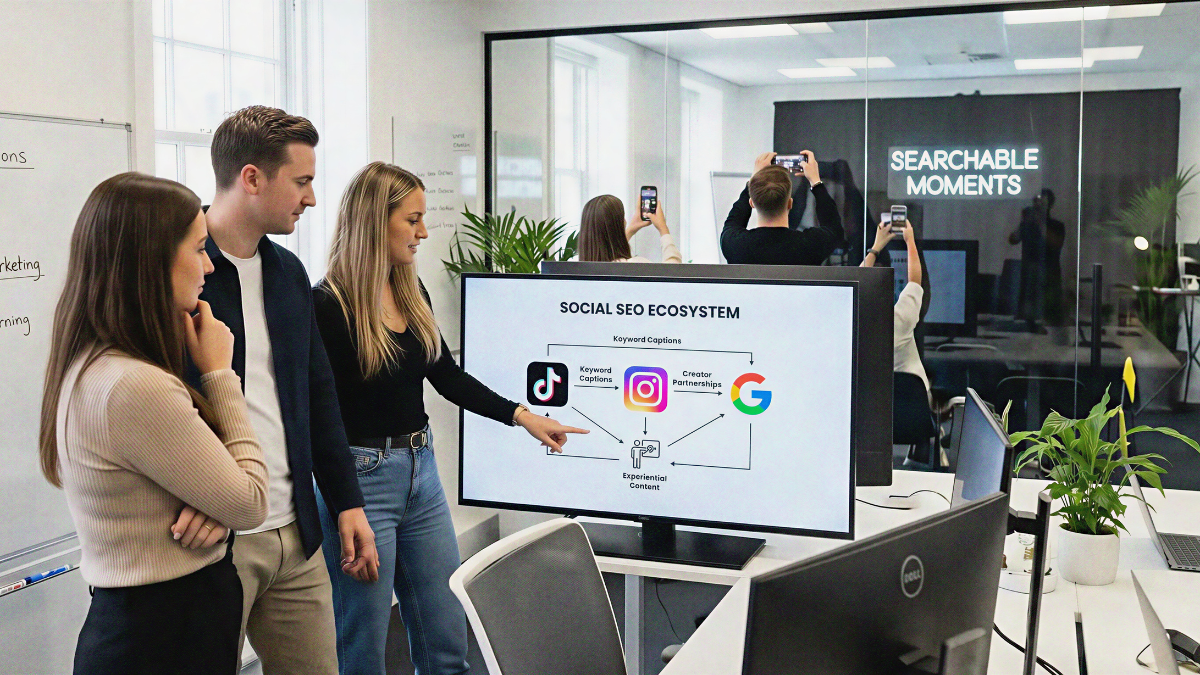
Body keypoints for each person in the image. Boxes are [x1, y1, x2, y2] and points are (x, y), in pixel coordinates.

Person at [313, 161, 588, 674]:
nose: (422, 232)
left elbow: (447, 376)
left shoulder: (410, 292)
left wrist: (522, 416)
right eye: (412, 219)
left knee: (446, 642)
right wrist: (345, 502)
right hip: (361, 483)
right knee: (363, 650)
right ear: (376, 221)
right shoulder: (328, 306)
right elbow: (318, 420)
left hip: (422, 475)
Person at [39, 173, 268, 674]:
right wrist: (219, 373)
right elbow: (250, 501)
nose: (209, 265)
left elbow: (214, 492)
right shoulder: (134, 385)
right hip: (165, 633)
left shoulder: (94, 366)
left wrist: (217, 503)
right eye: (200, 247)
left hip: (148, 625)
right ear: (151, 262)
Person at [199, 105, 377, 674]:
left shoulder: (288, 272)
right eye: (302, 182)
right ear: (251, 178)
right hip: (215, 538)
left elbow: (317, 395)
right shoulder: (178, 270)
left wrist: (347, 501)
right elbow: (164, 408)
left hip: (295, 533)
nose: (312, 198)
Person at [721, 151, 844, 265]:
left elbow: (733, 222)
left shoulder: (736, 246)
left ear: (751, 203)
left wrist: (753, 181)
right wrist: (815, 182)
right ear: (790, 204)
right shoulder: (808, 246)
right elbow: (834, 229)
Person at [862, 219, 930, 399]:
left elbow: (857, 282)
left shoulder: (858, 323)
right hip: (915, 408)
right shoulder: (898, 320)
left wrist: (876, 247)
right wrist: (910, 241)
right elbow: (915, 281)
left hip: (874, 408)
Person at [1009, 188, 1065, 326]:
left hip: (1049, 275)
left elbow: (1056, 243)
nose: (1037, 205)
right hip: (1029, 276)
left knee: (1049, 316)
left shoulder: (1057, 225)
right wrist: (1023, 222)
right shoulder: (1027, 224)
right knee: (1026, 317)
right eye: (1036, 201)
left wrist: (1041, 223)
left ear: (1049, 205)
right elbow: (1012, 239)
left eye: (1041, 202)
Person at [578, 194, 682, 263]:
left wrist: (630, 230)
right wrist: (663, 228)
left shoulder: (582, 273)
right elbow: (672, 273)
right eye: (622, 217)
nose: (626, 221)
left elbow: (609, 253)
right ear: (617, 225)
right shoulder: (635, 267)